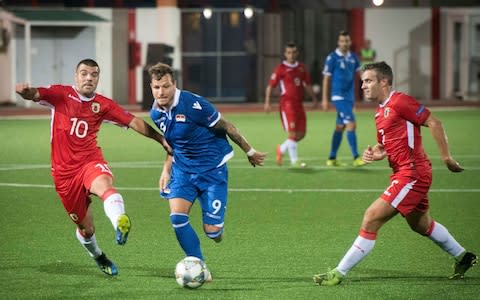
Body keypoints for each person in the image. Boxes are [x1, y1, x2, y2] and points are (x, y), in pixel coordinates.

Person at [313, 61, 477, 286]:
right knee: (420, 225)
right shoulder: (380, 113)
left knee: (371, 217)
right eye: (362, 82)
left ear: (384, 82)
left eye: (368, 81)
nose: (363, 86)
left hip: (412, 173)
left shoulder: (400, 101)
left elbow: (434, 122)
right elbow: (384, 146)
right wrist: (375, 153)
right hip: (404, 172)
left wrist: (446, 158)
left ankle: (338, 273)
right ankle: (463, 256)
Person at [15, 58, 171, 276]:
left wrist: (160, 139)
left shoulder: (103, 104)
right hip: (64, 175)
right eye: (84, 73)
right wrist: (26, 91)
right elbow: (36, 94)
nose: (89, 78)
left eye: (94, 74)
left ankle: (120, 221)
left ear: (98, 78)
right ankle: (99, 256)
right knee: (86, 230)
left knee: (106, 186)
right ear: (76, 76)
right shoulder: (60, 94)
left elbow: (134, 121)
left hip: (90, 161)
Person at [148, 63, 266, 279]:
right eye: (156, 87)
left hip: (212, 171)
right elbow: (173, 143)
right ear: (151, 87)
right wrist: (166, 169)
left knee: (213, 232)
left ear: (174, 84)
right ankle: (200, 266)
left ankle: (216, 230)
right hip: (183, 171)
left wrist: (249, 151)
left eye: (165, 86)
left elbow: (227, 126)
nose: (161, 92)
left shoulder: (194, 105)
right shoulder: (156, 113)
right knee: (177, 218)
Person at [264, 42, 318, 167]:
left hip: (299, 104)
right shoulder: (281, 69)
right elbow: (270, 86)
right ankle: (295, 161)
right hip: (287, 104)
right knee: (293, 133)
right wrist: (267, 102)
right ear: (285, 54)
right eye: (289, 52)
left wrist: (314, 98)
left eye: (294, 52)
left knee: (301, 134)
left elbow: (307, 85)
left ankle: (281, 149)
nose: (291, 55)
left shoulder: (302, 68)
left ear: (297, 53)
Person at [321, 30, 365, 167]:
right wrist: (324, 99)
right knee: (351, 124)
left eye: (347, 41)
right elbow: (326, 78)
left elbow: (361, 75)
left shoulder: (354, 57)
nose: (345, 43)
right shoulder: (332, 57)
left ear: (350, 42)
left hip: (349, 97)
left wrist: (369, 87)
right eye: (342, 41)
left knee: (340, 126)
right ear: (338, 42)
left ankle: (332, 158)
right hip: (338, 96)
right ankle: (356, 157)